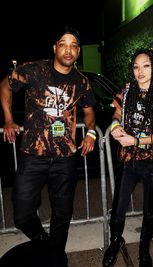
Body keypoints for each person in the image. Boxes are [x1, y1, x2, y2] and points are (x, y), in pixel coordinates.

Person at [0, 26, 96, 266]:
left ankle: (55, 257)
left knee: (62, 213)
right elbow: (5, 85)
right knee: (22, 212)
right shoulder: (34, 70)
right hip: (33, 154)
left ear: (78, 51)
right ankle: (44, 241)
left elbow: (89, 112)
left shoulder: (81, 82)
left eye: (74, 45)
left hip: (65, 158)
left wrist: (92, 133)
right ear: (55, 48)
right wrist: (9, 119)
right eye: (63, 44)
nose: (69, 49)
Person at [102, 48, 153, 267]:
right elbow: (116, 111)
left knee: (149, 210)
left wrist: (134, 141)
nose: (140, 71)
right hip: (129, 159)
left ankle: (144, 251)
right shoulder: (127, 92)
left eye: (146, 66)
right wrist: (116, 124)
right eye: (136, 67)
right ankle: (115, 242)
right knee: (118, 207)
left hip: (152, 161)